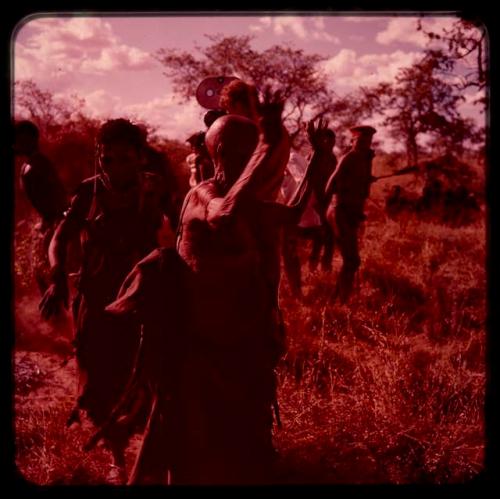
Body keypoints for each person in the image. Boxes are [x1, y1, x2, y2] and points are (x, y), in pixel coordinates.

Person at [105, 99, 331, 484]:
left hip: (238, 341)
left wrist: (317, 160)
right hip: (197, 340)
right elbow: (223, 216)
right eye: (246, 151)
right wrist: (265, 148)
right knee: (185, 439)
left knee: (240, 439)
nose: (254, 159)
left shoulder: (249, 203)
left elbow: (292, 215)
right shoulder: (203, 195)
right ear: (223, 153)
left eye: (255, 150)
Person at [38, 118, 167, 483]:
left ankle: (147, 455)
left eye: (123, 159)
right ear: (99, 156)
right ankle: (116, 459)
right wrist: (57, 277)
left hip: (141, 298)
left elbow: (173, 236)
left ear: (138, 158)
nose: (114, 167)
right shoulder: (87, 192)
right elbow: (59, 239)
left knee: (145, 376)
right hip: (96, 300)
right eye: (107, 159)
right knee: (98, 382)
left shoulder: (154, 190)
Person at [13, 120, 68, 292]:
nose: (16, 143)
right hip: (42, 225)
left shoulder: (41, 164)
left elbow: (58, 195)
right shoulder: (26, 165)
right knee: (39, 270)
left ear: (31, 139)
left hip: (53, 224)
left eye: (20, 139)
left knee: (47, 272)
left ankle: (58, 315)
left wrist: (54, 223)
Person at [324, 125, 377, 303]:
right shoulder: (349, 158)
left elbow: (364, 190)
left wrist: (364, 179)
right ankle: (340, 302)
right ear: (352, 141)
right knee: (352, 260)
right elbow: (329, 187)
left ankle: (337, 299)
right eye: (361, 141)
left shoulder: (365, 158)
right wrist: (349, 189)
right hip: (340, 212)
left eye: (368, 141)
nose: (365, 144)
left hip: (352, 213)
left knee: (351, 260)